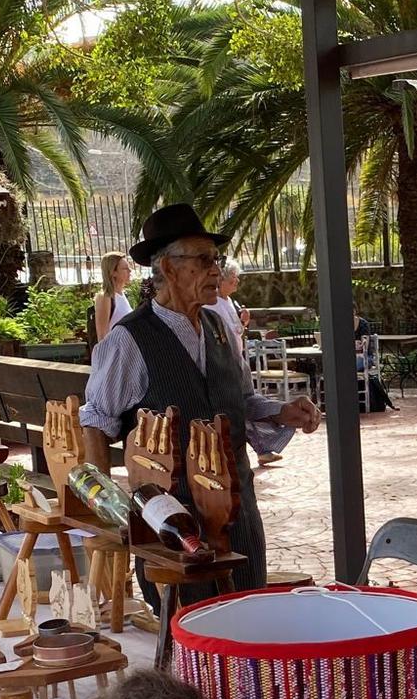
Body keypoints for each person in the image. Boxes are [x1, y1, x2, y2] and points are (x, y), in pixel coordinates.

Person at [79, 203, 320, 591]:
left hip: (237, 511)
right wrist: (104, 513)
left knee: (249, 610)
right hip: (174, 517)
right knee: (192, 635)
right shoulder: (131, 338)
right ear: (169, 268)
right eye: (204, 260)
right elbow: (97, 421)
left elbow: (240, 400)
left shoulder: (221, 327)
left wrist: (282, 412)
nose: (216, 270)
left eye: (217, 259)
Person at [205, 256, 294, 467]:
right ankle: (261, 447)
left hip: (237, 358)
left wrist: (243, 322)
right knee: (240, 405)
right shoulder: (212, 304)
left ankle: (262, 447)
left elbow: (235, 332)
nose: (237, 282)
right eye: (233, 278)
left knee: (246, 403)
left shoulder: (228, 301)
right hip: (225, 363)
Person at [92, 251, 135, 344]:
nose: (130, 271)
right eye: (125, 268)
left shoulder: (123, 295)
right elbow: (102, 336)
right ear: (113, 272)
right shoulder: (105, 297)